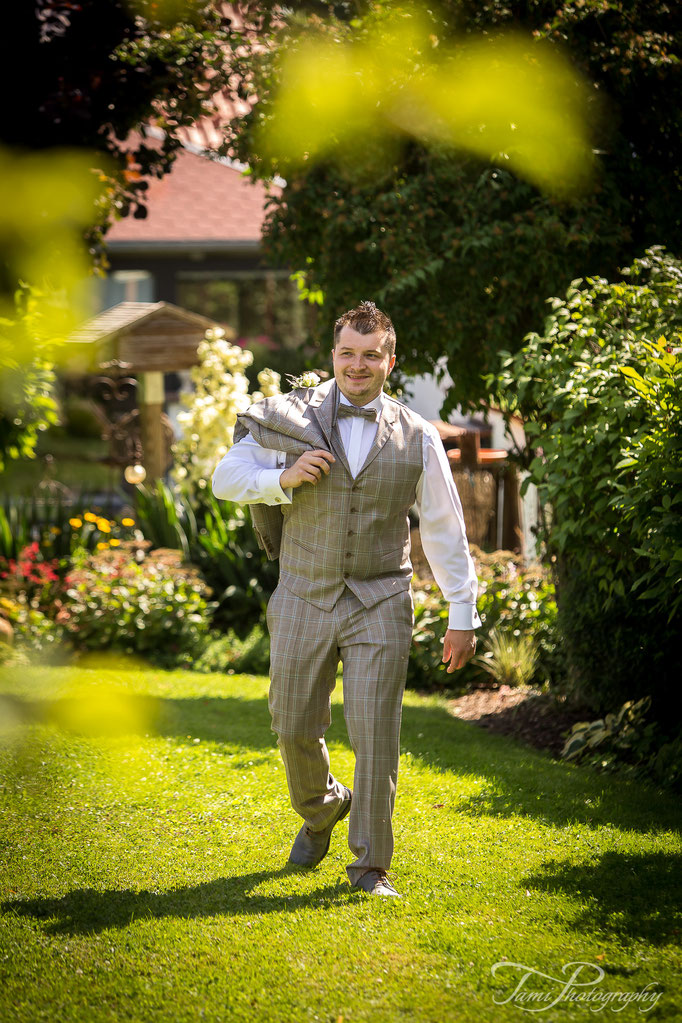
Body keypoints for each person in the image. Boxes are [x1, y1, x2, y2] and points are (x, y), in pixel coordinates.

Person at [211, 300, 480, 897]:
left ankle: (370, 866)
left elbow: (443, 528)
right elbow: (224, 480)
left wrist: (463, 614)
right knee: (292, 725)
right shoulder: (287, 419)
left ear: (390, 359)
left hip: (381, 596)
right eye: (347, 354)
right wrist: (279, 478)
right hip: (303, 594)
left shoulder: (418, 436)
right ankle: (322, 806)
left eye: (370, 355)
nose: (357, 366)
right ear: (333, 356)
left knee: (376, 731)